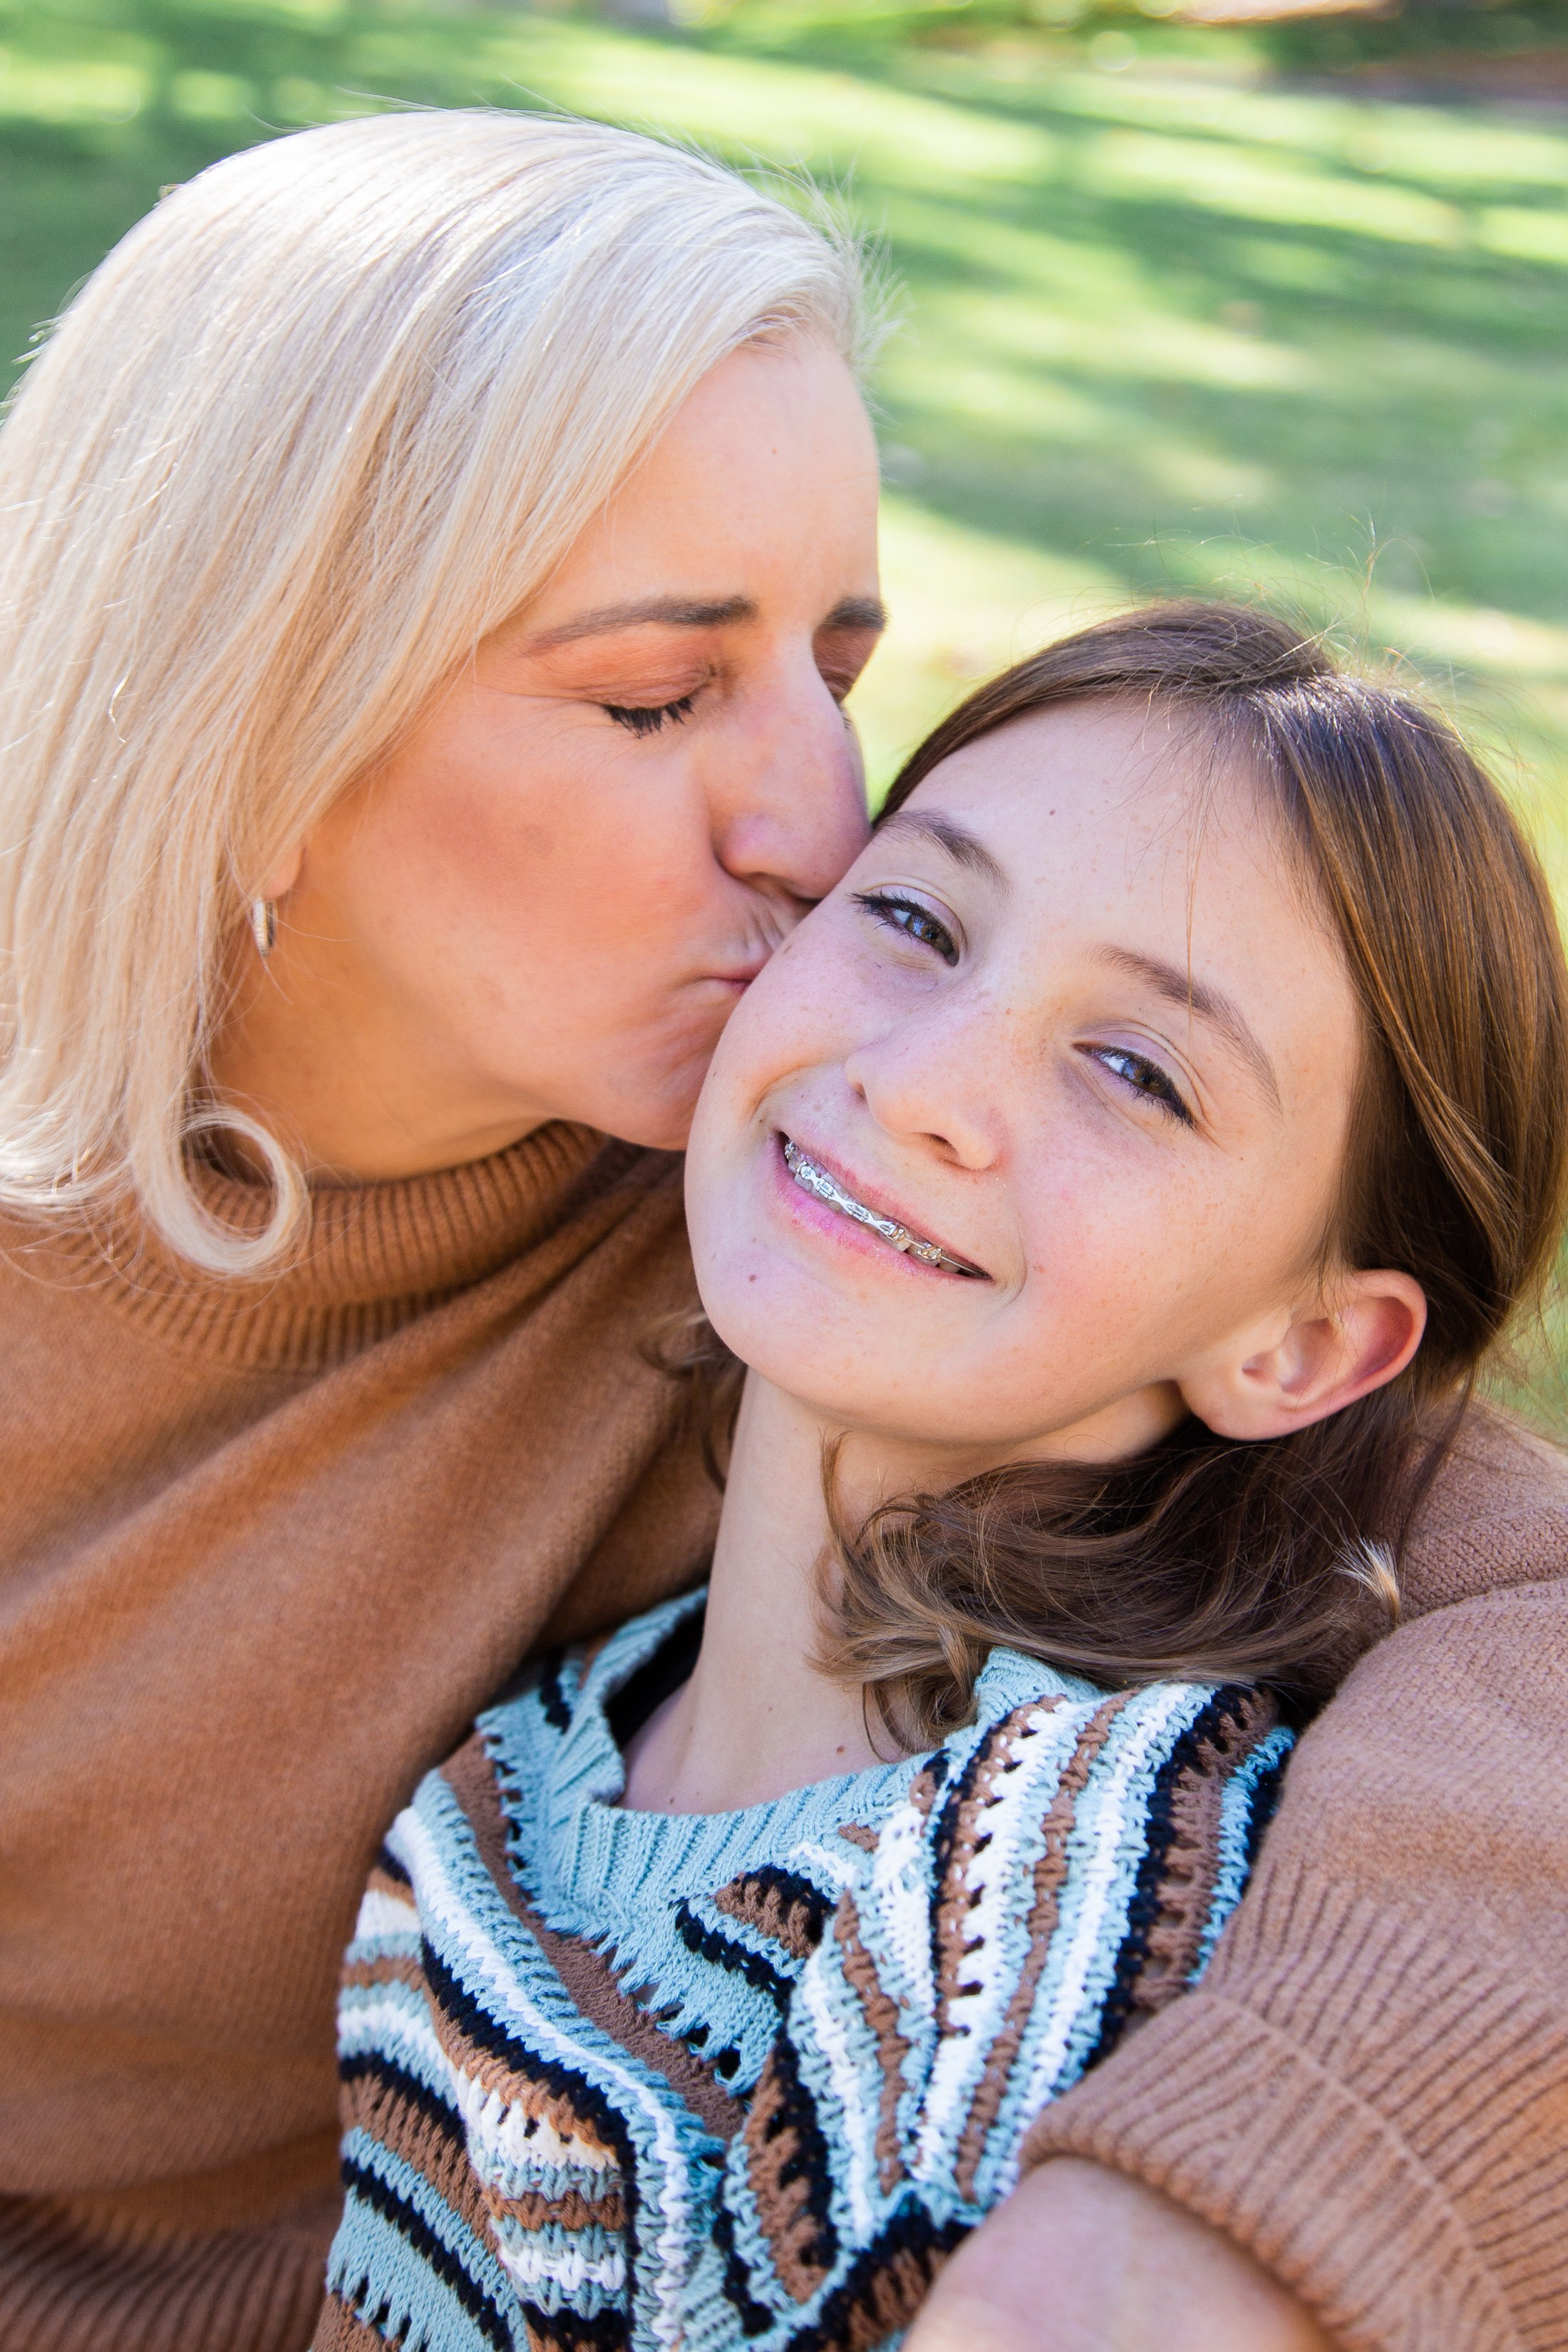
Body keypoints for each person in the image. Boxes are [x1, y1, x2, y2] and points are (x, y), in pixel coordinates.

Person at [0, 103, 1559, 2352]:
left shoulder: (812, 1202)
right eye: (659, 694)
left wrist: (1241, 2205)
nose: (823, 824)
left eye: (837, 667)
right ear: (247, 716)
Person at [314, 604, 1568, 2352]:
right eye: (911, 918)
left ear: (1296, 1349)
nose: (922, 1084)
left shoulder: (1050, 1905)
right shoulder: (517, 1768)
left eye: (1135, 1071)